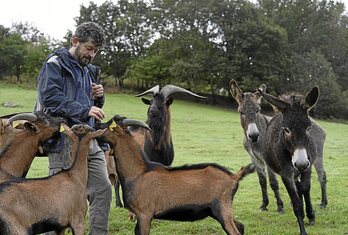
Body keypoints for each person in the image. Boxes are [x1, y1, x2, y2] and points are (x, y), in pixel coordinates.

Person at [35, 22, 112, 234]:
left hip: (89, 139)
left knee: (103, 189)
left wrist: (98, 98)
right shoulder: (55, 64)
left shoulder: (89, 71)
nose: (92, 54)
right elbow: (50, 98)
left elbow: (91, 108)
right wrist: (85, 109)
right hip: (63, 139)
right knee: (60, 197)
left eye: (95, 51)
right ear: (74, 41)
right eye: (89, 48)